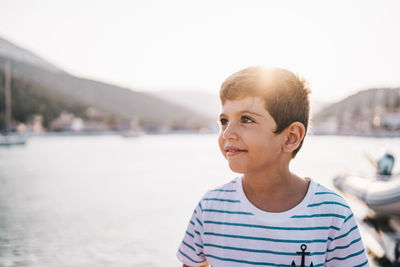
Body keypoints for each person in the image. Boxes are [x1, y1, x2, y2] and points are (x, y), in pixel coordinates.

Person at [176, 66, 369, 267]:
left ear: (290, 137)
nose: (227, 133)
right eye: (224, 121)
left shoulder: (332, 214)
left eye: (246, 119)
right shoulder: (209, 208)